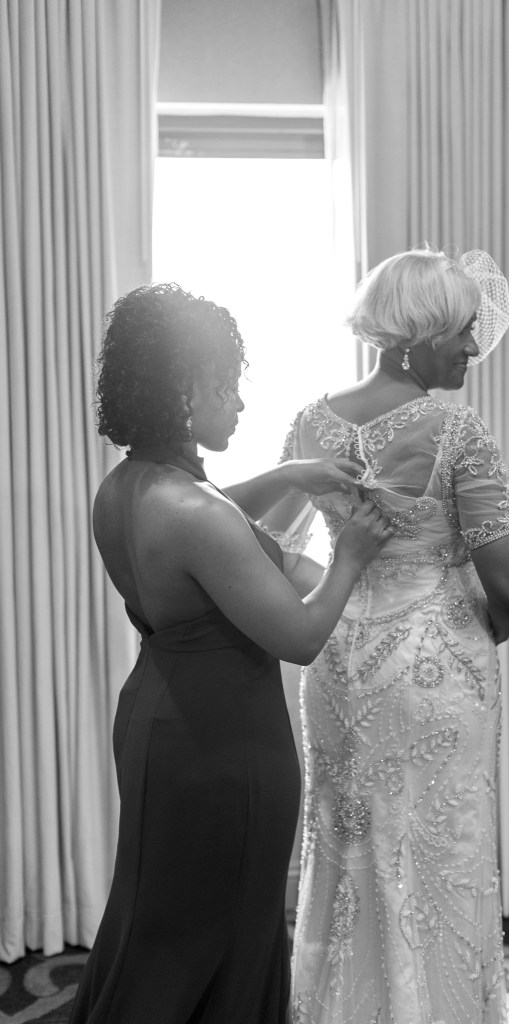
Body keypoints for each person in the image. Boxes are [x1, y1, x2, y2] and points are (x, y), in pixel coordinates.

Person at [68, 282, 393, 1024]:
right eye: (226, 385)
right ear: (183, 390)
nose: (240, 403)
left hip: (161, 724)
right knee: (222, 935)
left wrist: (287, 477)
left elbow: (216, 523)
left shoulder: (129, 487)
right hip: (222, 751)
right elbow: (300, 637)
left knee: (158, 927)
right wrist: (351, 554)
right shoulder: (193, 510)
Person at [261, 247, 509, 1024]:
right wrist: (461, 623)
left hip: (338, 661)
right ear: (417, 336)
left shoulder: (310, 421)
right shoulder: (456, 430)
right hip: (436, 669)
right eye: (461, 332)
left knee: (348, 851)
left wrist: (344, 593)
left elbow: (267, 544)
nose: (474, 347)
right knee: (439, 855)